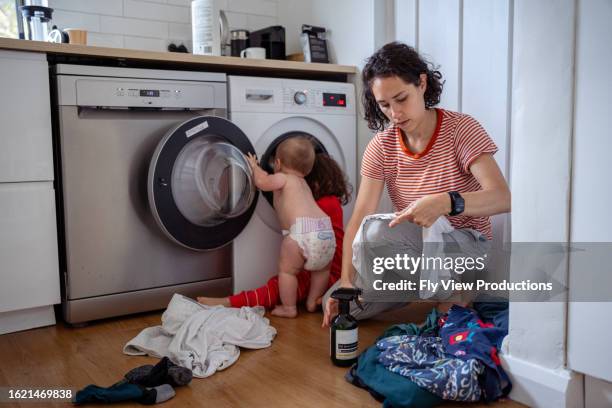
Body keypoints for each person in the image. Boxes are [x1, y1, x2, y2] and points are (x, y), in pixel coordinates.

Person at [322, 42, 511, 327]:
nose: (395, 113)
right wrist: (347, 280)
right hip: (411, 253)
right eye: (385, 105)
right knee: (338, 305)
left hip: (465, 248)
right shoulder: (382, 146)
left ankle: (455, 290)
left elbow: (502, 198)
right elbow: (358, 217)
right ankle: (429, 294)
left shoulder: (462, 129)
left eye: (401, 98)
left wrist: (445, 202)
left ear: (421, 83)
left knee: (377, 234)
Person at [198, 141, 352, 317]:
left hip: (302, 232)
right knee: (321, 271)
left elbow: (262, 182)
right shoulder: (305, 186)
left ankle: (289, 308)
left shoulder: (284, 178)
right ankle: (312, 302)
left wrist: (255, 167)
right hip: (324, 231)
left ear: (277, 163)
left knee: (288, 272)